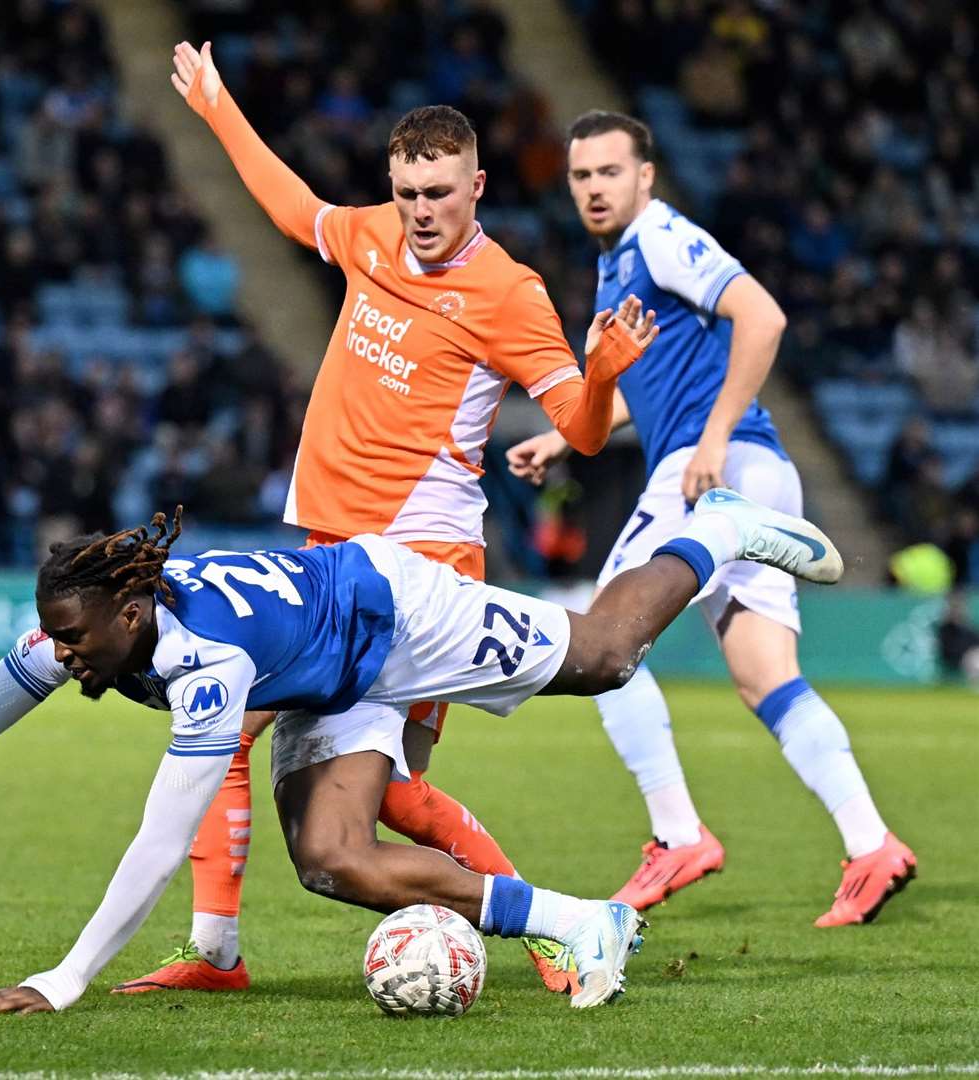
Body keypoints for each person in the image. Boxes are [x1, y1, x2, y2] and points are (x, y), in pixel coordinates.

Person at [119, 40, 659, 996]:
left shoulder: (509, 291)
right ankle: (217, 953)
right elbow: (293, 209)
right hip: (327, 552)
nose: (420, 214)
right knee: (226, 716)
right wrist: (215, 106)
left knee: (372, 782)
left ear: (477, 186)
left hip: (420, 568)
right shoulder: (371, 234)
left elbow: (578, 427)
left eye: (440, 194)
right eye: (408, 193)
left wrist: (606, 366)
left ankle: (545, 926)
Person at [0, 482, 841, 1016]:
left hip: (398, 613)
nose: (60, 651)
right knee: (332, 862)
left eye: (68, 634)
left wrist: (63, 981)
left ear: (127, 614)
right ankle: (581, 923)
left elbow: (155, 838)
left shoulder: (198, 656)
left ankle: (714, 528)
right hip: (327, 671)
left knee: (605, 657)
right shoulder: (106, 637)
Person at [506, 110, 915, 926]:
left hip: (712, 475)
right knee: (766, 677)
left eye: (609, 173)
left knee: (598, 637)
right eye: (581, 176)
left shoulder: (660, 237)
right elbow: (652, 385)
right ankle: (870, 845)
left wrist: (714, 439)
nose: (592, 188)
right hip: (752, 474)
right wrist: (564, 435)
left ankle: (676, 833)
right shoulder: (618, 261)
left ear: (645, 176)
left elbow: (762, 317)